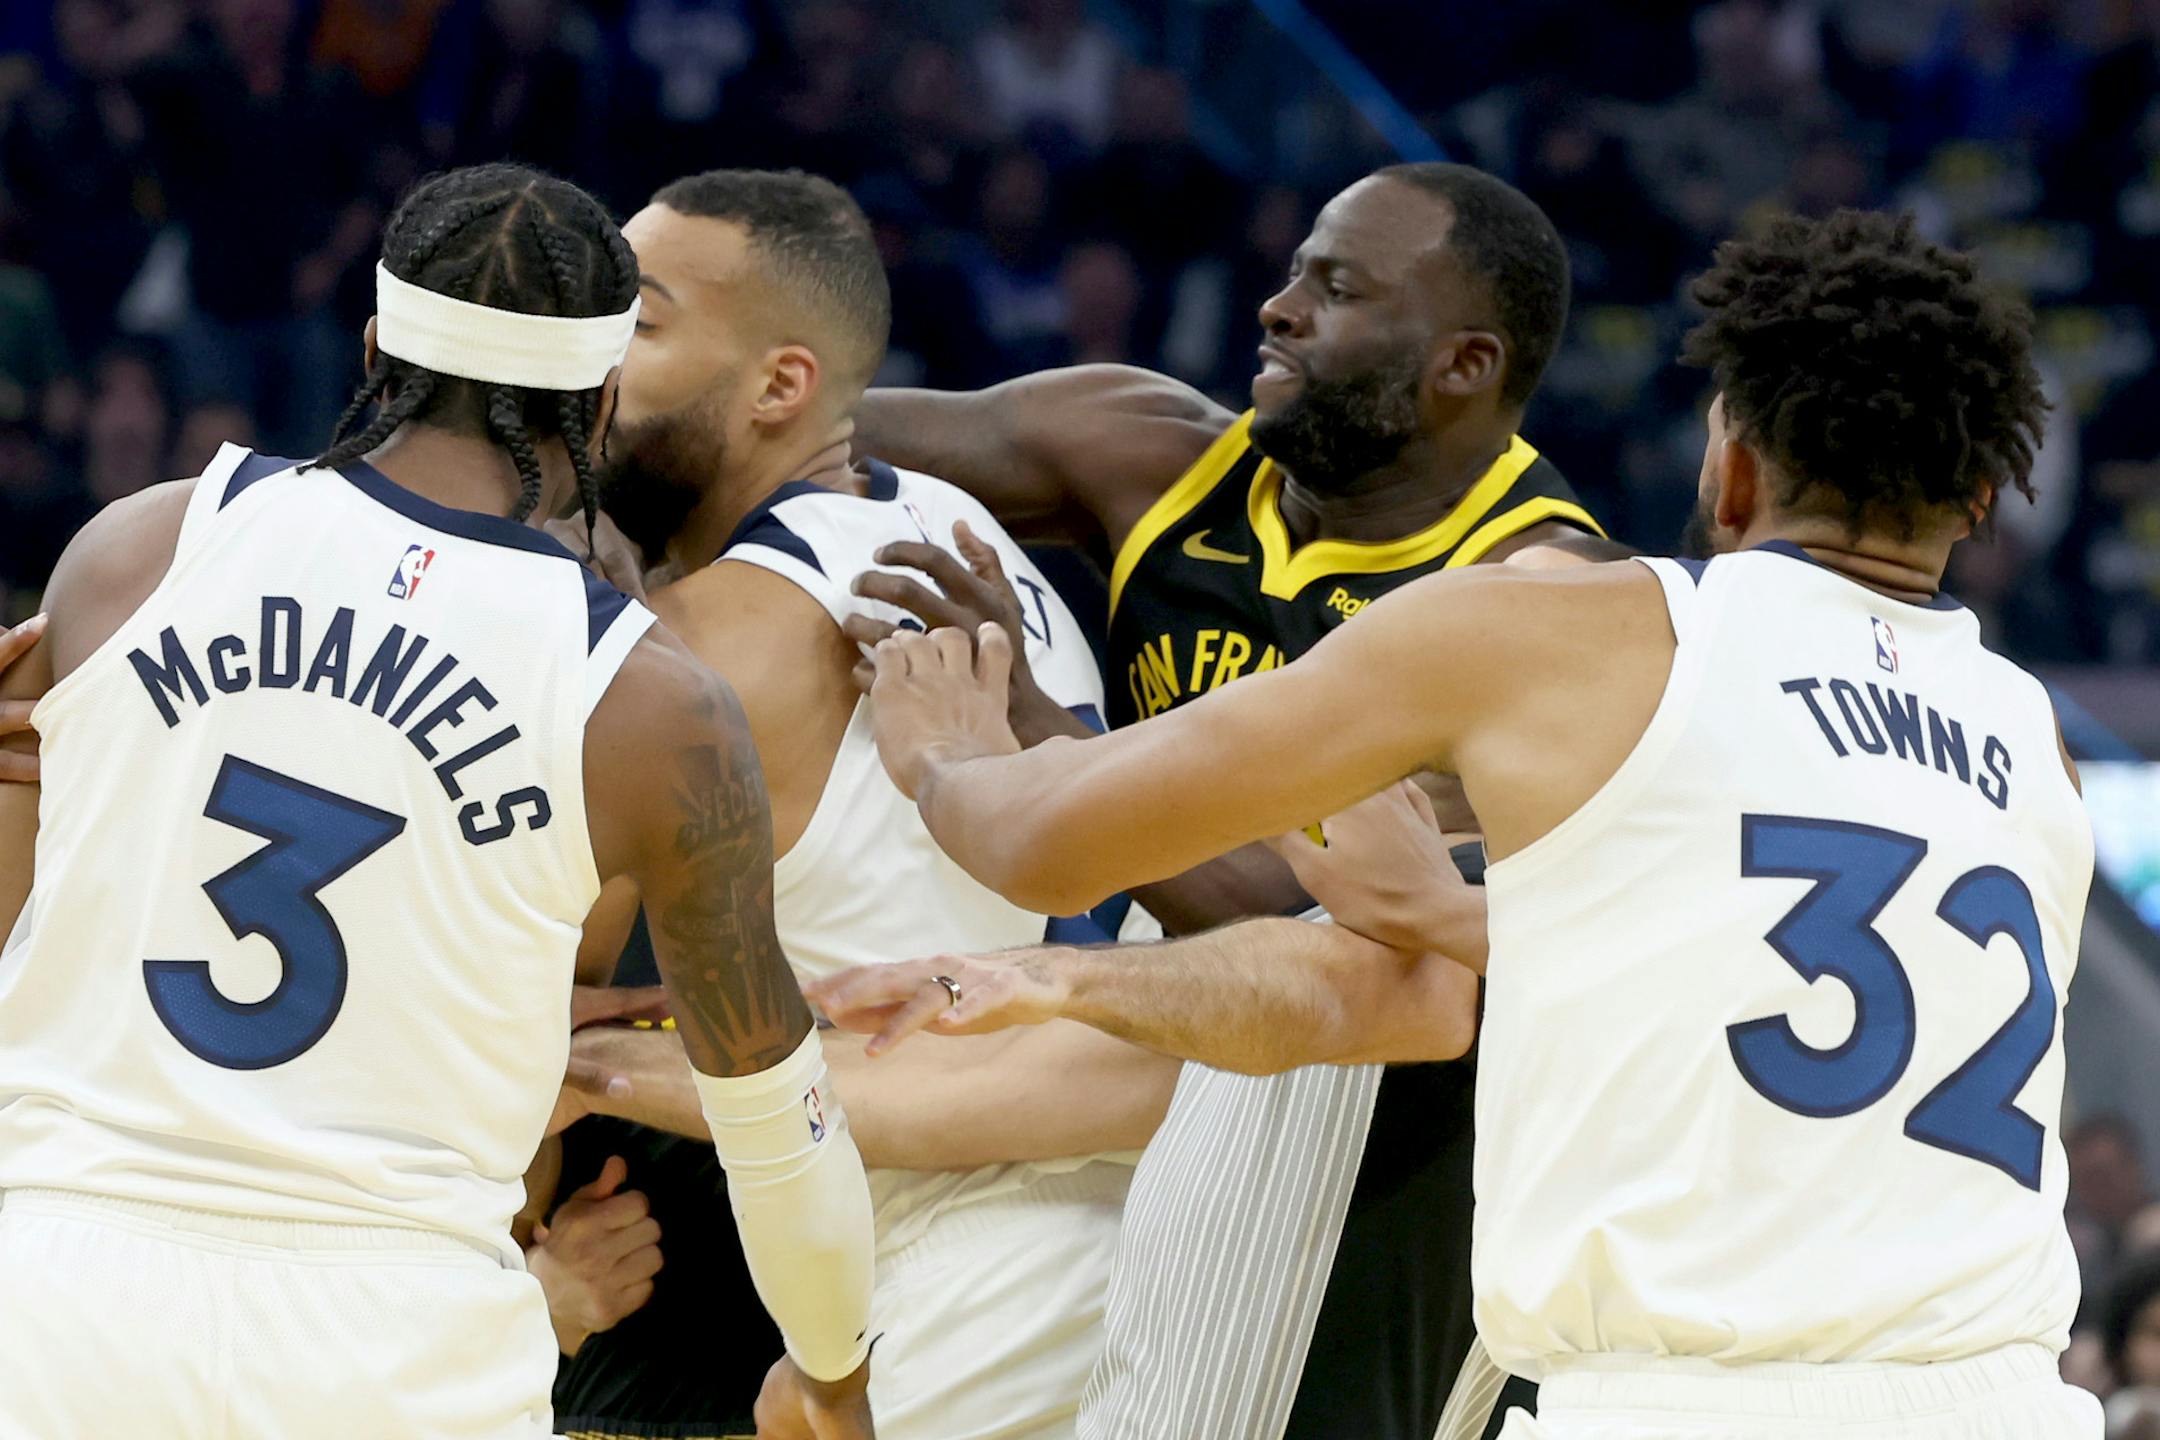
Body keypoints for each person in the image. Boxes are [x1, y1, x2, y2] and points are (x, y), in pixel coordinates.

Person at [816, 208, 2103, 1439]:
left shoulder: (1563, 628)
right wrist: (1448, 912)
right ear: (1983, 502)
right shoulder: (2036, 743)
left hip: (1682, 1401)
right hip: (2005, 1397)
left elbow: (1041, 844)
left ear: (1734, 470)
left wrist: (948, 750)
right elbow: (1770, 963)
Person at [0, 164, 875, 1440]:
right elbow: (776, 1124)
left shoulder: (133, 552)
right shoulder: (652, 705)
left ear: (373, 351)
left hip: (61, 1300)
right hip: (395, 1342)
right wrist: (835, 1372)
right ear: (602, 400)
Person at [846, 161, 1615, 1440]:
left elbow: (1308, 927)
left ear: (1464, 364)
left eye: (1339, 290)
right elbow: (793, 433)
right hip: (1152, 1035)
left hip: (1376, 1146)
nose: (1278, 307)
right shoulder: (1147, 449)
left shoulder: (1539, 600)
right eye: (1295, 271)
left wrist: (1027, 722)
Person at [539, 167, 1175, 1439]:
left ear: (782, 385)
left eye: (639, 323)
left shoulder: (705, 648)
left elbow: (520, 1027)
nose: (588, 363)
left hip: (950, 1265)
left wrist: (521, 1277)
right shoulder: (961, 528)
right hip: (1133, 1228)